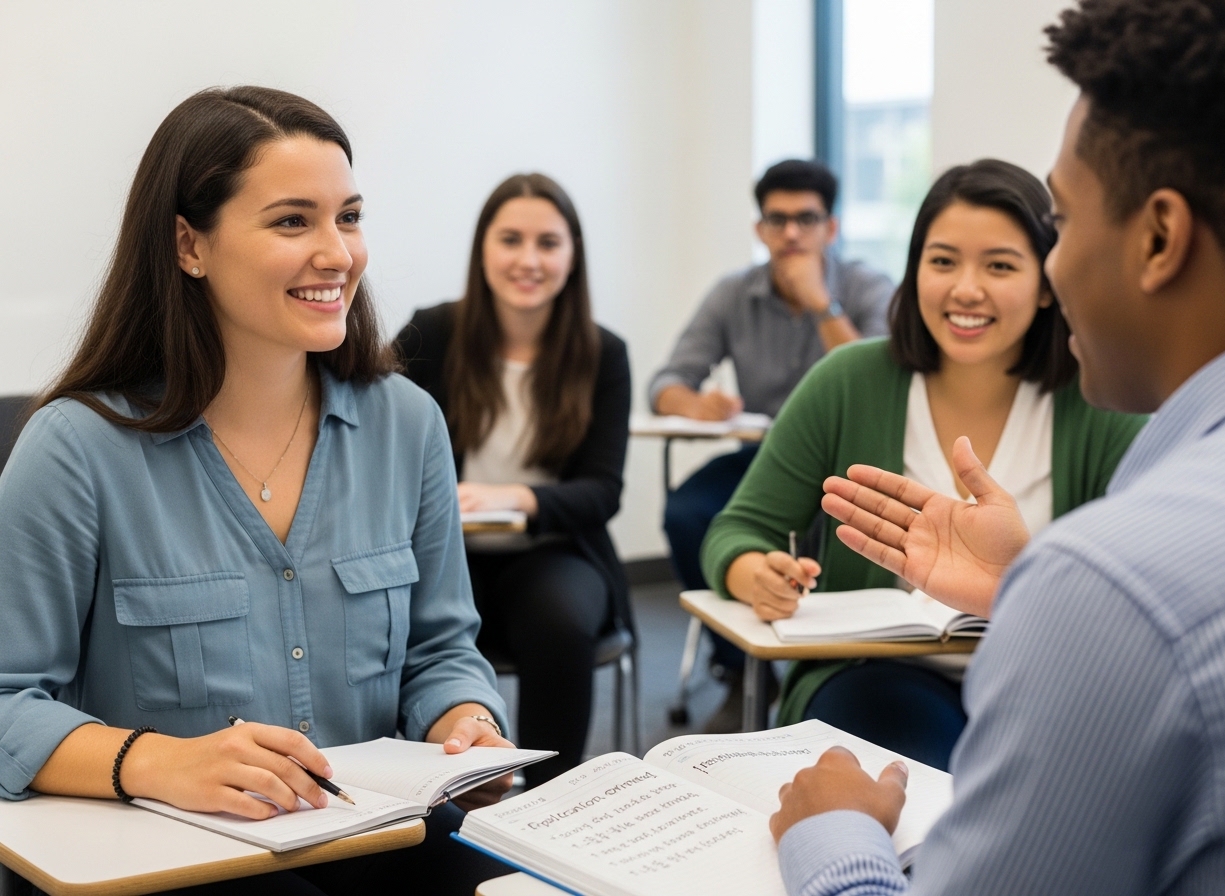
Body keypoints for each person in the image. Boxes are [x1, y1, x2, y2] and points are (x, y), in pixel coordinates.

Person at [770, 1, 1225, 893]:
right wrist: (1022, 588)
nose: (1051, 266)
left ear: (1160, 238)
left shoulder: (1116, 585)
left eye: (1064, 222)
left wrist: (833, 837)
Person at [0, 86, 512, 896]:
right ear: (189, 245)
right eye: (292, 221)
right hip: (164, 856)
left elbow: (440, 651)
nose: (338, 254)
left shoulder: (408, 424)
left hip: (372, 834)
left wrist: (467, 726)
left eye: (348, 217)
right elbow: (7, 701)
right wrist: (160, 762)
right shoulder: (76, 450)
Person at [700, 159, 1145, 769]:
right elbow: (736, 530)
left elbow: (1152, 585)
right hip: (880, 677)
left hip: (1049, 679)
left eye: (1000, 265)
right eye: (942, 262)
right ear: (914, 273)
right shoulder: (847, 381)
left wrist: (1020, 583)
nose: (966, 289)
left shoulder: (1102, 399)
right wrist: (758, 574)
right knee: (906, 769)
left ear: (1047, 282)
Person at [395, 173, 630, 787]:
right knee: (391, 621)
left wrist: (517, 497)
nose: (529, 260)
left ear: (572, 255)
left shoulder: (603, 353)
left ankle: (554, 797)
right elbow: (376, 434)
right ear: (483, 249)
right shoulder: (433, 332)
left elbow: (602, 490)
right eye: (511, 240)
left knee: (560, 623)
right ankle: (429, 793)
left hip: (552, 553)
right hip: (443, 554)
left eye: (548, 243)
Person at [651, 159, 895, 730]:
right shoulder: (733, 294)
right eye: (776, 220)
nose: (790, 233)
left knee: (848, 535)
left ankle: (836, 667)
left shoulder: (867, 287)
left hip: (852, 466)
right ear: (759, 229)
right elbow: (666, 381)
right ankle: (739, 666)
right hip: (766, 460)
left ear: (831, 228)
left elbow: (883, 382)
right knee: (688, 513)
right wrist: (695, 403)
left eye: (805, 219)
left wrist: (821, 304)